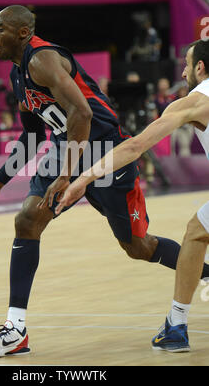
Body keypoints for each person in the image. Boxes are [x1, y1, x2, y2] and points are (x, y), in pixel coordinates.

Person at [0, 6, 209, 358]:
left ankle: (205, 272)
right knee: (27, 220)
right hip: (65, 149)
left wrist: (68, 175)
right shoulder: (18, 76)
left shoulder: (42, 60)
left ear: (22, 33)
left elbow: (81, 113)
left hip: (106, 149)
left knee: (137, 247)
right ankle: (15, 330)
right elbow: (33, 136)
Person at [55, 38, 209, 353]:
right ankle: (176, 325)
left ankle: (177, 327)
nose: (182, 71)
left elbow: (135, 146)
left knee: (195, 235)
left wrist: (85, 177)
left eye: (186, 64)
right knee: (197, 232)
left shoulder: (193, 102)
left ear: (200, 67)